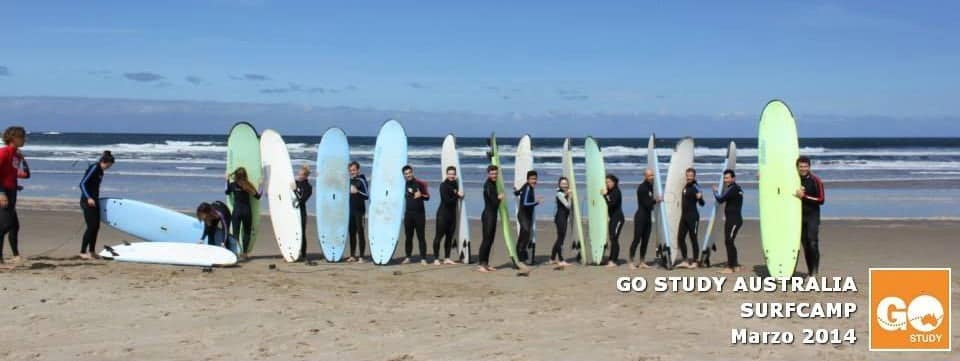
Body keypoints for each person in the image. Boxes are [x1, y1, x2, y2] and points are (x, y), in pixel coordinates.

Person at [0, 126, 30, 267]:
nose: (24, 140)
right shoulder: (4, 152)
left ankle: (15, 256)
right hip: (3, 193)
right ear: (14, 138)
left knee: (14, 226)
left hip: (11, 192)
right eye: (22, 137)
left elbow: (21, 174)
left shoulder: (16, 155)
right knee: (4, 225)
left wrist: (23, 160)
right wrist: (1, 192)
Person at [79, 151, 115, 260]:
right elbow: (82, 184)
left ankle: (92, 251)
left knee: (96, 227)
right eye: (108, 166)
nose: (108, 168)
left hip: (94, 201)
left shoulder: (101, 171)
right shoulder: (94, 167)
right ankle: (82, 252)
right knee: (91, 227)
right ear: (104, 162)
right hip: (87, 201)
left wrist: (95, 198)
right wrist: (89, 198)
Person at [795, 156, 825, 277]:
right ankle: (810, 272)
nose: (803, 169)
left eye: (805, 166)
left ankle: (815, 272)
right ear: (797, 167)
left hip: (812, 215)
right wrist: (762, 177)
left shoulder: (816, 180)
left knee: (812, 242)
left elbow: (821, 200)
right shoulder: (793, 180)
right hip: (798, 216)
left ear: (809, 167)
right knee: (805, 245)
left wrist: (804, 196)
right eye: (801, 166)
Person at [226, 167, 261, 260]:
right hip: (247, 211)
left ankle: (236, 252)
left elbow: (227, 192)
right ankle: (245, 253)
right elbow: (258, 196)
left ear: (236, 175)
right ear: (245, 175)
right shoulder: (248, 185)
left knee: (236, 233)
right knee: (246, 232)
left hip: (236, 212)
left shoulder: (233, 185)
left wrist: (227, 180)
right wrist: (261, 184)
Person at [712, 169, 744, 274]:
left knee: (729, 241)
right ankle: (735, 265)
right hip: (732, 219)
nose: (725, 180)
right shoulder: (737, 188)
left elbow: (720, 199)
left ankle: (730, 267)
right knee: (730, 242)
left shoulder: (733, 189)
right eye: (724, 178)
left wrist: (715, 191)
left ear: (733, 178)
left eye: (727, 178)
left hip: (734, 220)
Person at [431, 166, 463, 265]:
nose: (451, 176)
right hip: (443, 215)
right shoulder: (443, 185)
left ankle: (447, 258)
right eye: (450, 174)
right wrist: (457, 195)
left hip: (452, 215)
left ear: (455, 175)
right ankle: (436, 258)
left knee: (449, 237)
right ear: (446, 174)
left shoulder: (455, 184)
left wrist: (458, 195)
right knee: (439, 237)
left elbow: (455, 197)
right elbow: (447, 201)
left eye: (453, 174)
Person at [629, 169, 659, 269]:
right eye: (649, 176)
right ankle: (631, 262)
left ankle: (642, 261)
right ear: (645, 176)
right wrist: (656, 200)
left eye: (652, 175)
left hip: (648, 217)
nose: (651, 177)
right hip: (640, 217)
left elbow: (650, 204)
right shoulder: (642, 188)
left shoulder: (651, 187)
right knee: (637, 239)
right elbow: (647, 204)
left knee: (645, 240)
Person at [401, 165, 430, 264]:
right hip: (408, 214)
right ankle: (408, 257)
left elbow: (427, 197)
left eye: (409, 173)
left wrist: (421, 195)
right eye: (406, 174)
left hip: (419, 214)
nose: (408, 175)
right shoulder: (403, 185)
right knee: (408, 237)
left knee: (421, 237)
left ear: (412, 172)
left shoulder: (420, 183)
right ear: (403, 175)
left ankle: (423, 258)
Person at [676, 168, 704, 269]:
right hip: (684, 217)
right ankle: (685, 260)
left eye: (691, 176)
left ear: (694, 176)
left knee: (693, 239)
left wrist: (700, 198)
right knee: (680, 238)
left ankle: (695, 261)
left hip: (693, 217)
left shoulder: (696, 187)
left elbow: (702, 204)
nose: (689, 177)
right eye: (687, 175)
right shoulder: (686, 186)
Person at [477, 165, 502, 272]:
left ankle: (486, 264)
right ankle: (481, 265)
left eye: (495, 173)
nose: (494, 175)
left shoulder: (494, 184)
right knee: (486, 240)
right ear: (488, 174)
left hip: (492, 215)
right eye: (492, 174)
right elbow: (494, 203)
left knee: (490, 240)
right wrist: (499, 198)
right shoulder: (488, 185)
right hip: (488, 216)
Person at [514, 170, 542, 266]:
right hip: (523, 215)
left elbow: (518, 193)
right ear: (528, 179)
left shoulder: (526, 186)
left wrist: (515, 191)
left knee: (524, 236)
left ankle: (520, 257)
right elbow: (525, 203)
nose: (534, 181)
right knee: (525, 235)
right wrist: (536, 202)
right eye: (532, 179)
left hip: (527, 216)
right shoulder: (528, 188)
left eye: (535, 179)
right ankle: (520, 258)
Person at [347, 161, 368, 263]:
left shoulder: (361, 180)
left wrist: (357, 191)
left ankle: (361, 257)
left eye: (354, 170)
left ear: (358, 170)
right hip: (350, 211)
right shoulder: (348, 181)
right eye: (350, 170)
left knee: (360, 232)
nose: (352, 172)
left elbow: (366, 196)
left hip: (359, 211)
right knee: (351, 233)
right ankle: (352, 255)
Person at [602, 174, 624, 267]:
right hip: (613, 218)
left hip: (618, 219)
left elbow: (611, 204)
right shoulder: (610, 191)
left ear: (614, 182)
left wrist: (605, 195)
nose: (607, 184)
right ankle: (611, 259)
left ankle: (613, 261)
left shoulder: (616, 192)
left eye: (609, 182)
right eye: (606, 182)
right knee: (612, 238)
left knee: (614, 238)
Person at [550, 177, 572, 266]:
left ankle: (552, 258)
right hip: (560, 218)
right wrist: (569, 196)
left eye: (566, 183)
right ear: (559, 185)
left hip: (562, 218)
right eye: (562, 184)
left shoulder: (563, 193)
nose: (564, 185)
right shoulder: (559, 194)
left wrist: (568, 194)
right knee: (560, 239)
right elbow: (568, 206)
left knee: (559, 238)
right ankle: (561, 260)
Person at [294, 165, 313, 262]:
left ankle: (304, 254)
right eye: (299, 174)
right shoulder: (295, 183)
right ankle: (293, 252)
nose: (300, 176)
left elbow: (302, 200)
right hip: (293, 211)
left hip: (301, 212)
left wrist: (294, 190)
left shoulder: (308, 187)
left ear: (306, 176)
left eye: (302, 175)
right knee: (293, 232)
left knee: (301, 233)